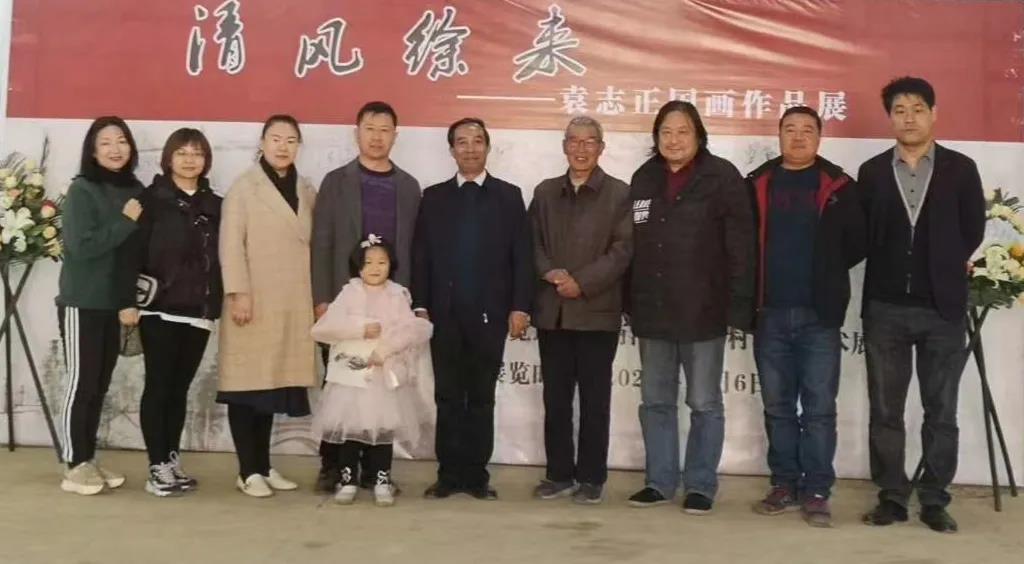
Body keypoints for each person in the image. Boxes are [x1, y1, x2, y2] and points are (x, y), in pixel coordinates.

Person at [859, 77, 985, 533]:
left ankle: (934, 499)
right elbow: (865, 232)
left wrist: (942, 266)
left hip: (941, 308)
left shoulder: (961, 169)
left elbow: (972, 228)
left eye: (917, 109)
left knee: (941, 412)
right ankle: (892, 496)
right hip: (885, 308)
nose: (908, 118)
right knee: (885, 411)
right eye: (899, 110)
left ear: (933, 114)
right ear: (889, 118)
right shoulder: (873, 172)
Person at [626, 101, 755, 515]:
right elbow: (631, 245)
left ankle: (700, 484)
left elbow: (741, 247)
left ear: (699, 135)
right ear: (656, 137)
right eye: (666, 132)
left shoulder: (722, 177)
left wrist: (738, 306)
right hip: (652, 309)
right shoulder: (644, 178)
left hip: (704, 310)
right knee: (655, 401)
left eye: (683, 131)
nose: (674, 140)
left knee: (704, 402)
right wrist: (629, 302)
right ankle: (659, 482)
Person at [746, 107, 866, 527]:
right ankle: (783, 483)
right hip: (770, 314)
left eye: (807, 130)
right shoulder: (757, 183)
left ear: (819, 137)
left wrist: (827, 272)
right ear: (778, 135)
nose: (798, 137)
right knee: (778, 407)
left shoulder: (839, 186)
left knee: (818, 409)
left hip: (819, 316)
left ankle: (816, 489)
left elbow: (858, 242)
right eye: (790, 129)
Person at [412, 117, 533, 500]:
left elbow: (522, 257)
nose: (470, 148)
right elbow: (421, 256)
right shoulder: (434, 197)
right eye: (461, 142)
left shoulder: (508, 196)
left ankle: (477, 476)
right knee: (448, 396)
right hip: (444, 314)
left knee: (481, 397)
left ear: (487, 147)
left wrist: (520, 306)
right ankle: (448, 474)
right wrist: (420, 305)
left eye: (477, 141)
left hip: (490, 315)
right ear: (451, 150)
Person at [311, 101, 421, 492]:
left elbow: (414, 248)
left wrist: (410, 303)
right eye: (370, 129)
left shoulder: (408, 186)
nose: (377, 137)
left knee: (383, 388)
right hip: (345, 306)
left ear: (395, 135)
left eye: (384, 130)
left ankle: (377, 470)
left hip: (390, 305)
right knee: (342, 386)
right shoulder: (336, 181)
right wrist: (322, 298)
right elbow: (321, 242)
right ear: (356, 132)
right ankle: (334, 467)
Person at [528, 116, 632, 504]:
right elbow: (532, 242)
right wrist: (549, 272)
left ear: (601, 148)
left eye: (590, 142)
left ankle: (591, 477)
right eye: (574, 141)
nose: (581, 148)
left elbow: (622, 251)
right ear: (564, 146)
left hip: (597, 313)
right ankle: (558, 474)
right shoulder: (545, 192)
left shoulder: (620, 194)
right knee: (555, 400)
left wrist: (582, 282)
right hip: (552, 312)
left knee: (594, 401)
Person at [217, 114, 318, 498]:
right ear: (262, 143)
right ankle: (248, 470)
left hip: (291, 302)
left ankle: (262, 464)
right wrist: (238, 293)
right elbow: (230, 245)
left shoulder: (305, 189)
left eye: (291, 140)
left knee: (271, 387)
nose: (283, 146)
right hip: (254, 301)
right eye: (276, 138)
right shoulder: (244, 188)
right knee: (246, 387)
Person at [56, 116, 145, 495]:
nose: (115, 149)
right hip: (83, 302)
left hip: (116, 304)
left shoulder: (135, 190)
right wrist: (125, 222)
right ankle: (73, 465)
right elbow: (82, 246)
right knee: (81, 384)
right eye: (106, 142)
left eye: (121, 141)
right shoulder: (82, 190)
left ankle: (87, 458)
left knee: (99, 385)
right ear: (92, 151)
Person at [311, 235, 433, 507]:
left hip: (382, 377)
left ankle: (381, 480)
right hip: (351, 380)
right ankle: (348, 480)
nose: (375, 268)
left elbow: (415, 329)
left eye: (382, 262)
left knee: (382, 431)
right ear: (358, 266)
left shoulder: (397, 294)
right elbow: (323, 328)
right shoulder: (349, 292)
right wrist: (358, 330)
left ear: (391, 265)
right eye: (368, 262)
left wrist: (386, 349)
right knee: (350, 429)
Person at [134, 128, 222, 497]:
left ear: (206, 160)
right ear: (168, 158)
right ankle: (156, 466)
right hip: (160, 310)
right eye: (182, 152)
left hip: (198, 312)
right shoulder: (150, 200)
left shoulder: (215, 205)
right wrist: (127, 302)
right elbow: (132, 252)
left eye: (197, 153)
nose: (189, 160)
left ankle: (171, 459)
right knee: (159, 386)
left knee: (179, 388)